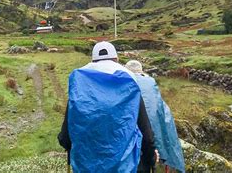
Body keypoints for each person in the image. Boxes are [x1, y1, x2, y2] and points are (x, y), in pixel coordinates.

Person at [58, 42, 158, 173]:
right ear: (116, 60)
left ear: (92, 61)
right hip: (125, 166)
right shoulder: (129, 87)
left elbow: (66, 135)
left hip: (87, 166)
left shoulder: (80, 92)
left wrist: (68, 145)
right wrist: (151, 157)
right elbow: (146, 132)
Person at [126, 60, 186, 173]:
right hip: (151, 138)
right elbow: (164, 116)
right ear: (141, 71)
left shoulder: (123, 83)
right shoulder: (150, 83)